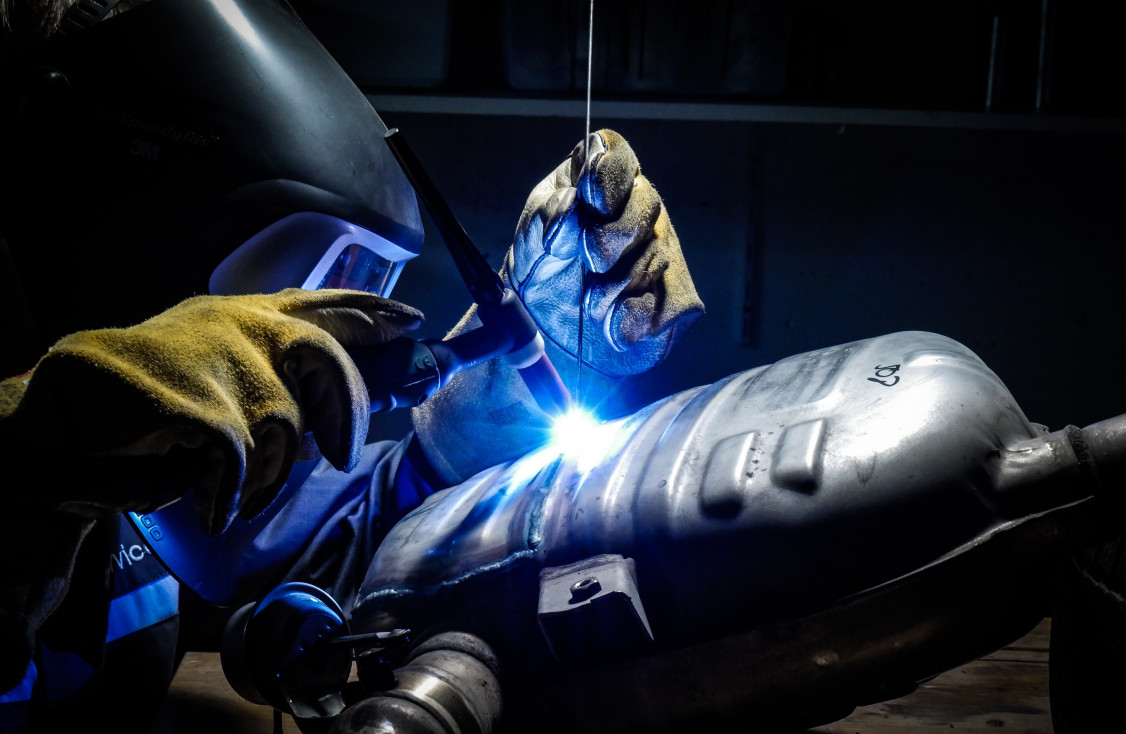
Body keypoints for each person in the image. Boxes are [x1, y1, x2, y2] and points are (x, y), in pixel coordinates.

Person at [0, 0, 704, 731]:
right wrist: (40, 452)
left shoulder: (162, 480)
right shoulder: (82, 419)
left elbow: (318, 555)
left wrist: (470, 432)